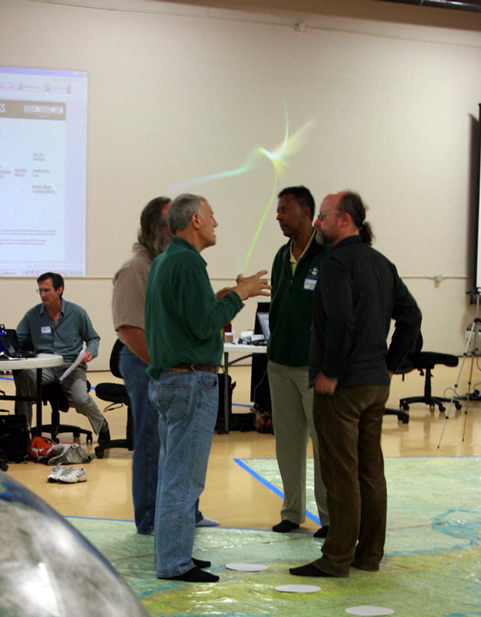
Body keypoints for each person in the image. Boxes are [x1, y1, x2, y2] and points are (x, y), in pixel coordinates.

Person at [289, 190, 421, 578]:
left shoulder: (335, 265)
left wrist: (330, 370)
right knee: (370, 471)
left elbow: (342, 322)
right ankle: (369, 555)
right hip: (374, 384)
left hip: (342, 388)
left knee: (340, 472)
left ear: (345, 219)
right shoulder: (382, 264)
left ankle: (337, 558)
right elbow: (412, 317)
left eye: (323, 216)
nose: (316, 223)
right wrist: (391, 364)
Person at [145, 193, 270, 582]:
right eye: (212, 216)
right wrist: (240, 295)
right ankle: (174, 563)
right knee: (185, 479)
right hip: (190, 382)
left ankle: (174, 551)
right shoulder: (188, 262)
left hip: (169, 380)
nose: (217, 223)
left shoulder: (167, 261)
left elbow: (189, 315)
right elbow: (204, 325)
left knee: (173, 474)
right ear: (195, 221)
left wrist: (224, 296)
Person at [112, 197, 219, 535]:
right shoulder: (135, 269)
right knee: (151, 445)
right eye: (169, 226)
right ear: (157, 230)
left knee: (179, 449)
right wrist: (164, 364)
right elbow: (128, 329)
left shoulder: (170, 262)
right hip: (147, 361)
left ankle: (184, 515)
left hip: (166, 362)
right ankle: (150, 519)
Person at [267, 186, 330, 538]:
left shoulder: (327, 255)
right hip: (280, 364)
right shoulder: (281, 256)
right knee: (287, 444)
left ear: (306, 212)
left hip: (314, 369)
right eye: (278, 210)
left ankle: (329, 517)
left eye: (285, 210)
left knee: (323, 445)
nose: (278, 216)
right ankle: (292, 512)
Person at [14, 273, 110, 444]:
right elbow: (16, 341)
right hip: (45, 367)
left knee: (80, 399)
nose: (43, 294)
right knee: (25, 378)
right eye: (40, 290)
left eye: (47, 290)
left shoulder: (77, 313)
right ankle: (22, 431)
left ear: (60, 290)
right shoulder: (33, 315)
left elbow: (93, 338)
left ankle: (101, 425)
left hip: (71, 366)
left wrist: (90, 352)